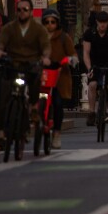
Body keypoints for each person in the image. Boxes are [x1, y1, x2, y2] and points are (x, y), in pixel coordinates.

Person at [0, 0, 51, 142]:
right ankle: (1, 130)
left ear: (31, 12)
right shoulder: (10, 27)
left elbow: (45, 45)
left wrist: (45, 57)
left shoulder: (38, 29)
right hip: (13, 64)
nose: (22, 12)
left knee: (35, 82)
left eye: (25, 9)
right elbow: (2, 40)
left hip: (31, 64)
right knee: (4, 94)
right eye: (19, 10)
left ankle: (32, 106)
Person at [43, 9, 77, 150]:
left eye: (52, 22)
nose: (50, 24)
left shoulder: (64, 37)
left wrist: (68, 60)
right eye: (46, 22)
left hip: (58, 77)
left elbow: (74, 55)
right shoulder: (39, 37)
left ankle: (57, 132)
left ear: (57, 23)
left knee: (57, 103)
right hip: (42, 76)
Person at [83, 11, 108, 125]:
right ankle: (91, 113)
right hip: (94, 63)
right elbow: (85, 53)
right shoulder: (89, 33)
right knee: (92, 85)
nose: (102, 25)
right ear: (96, 22)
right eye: (100, 22)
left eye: (105, 22)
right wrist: (89, 68)